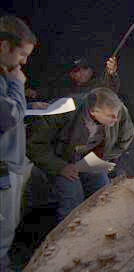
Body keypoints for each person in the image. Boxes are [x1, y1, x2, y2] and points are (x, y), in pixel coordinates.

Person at [26, 88, 134, 222]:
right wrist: (60, 167)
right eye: (110, 116)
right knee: (72, 199)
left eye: (117, 114)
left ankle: (98, 230)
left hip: (91, 155)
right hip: (61, 158)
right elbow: (35, 144)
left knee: (102, 191)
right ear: (94, 112)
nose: (116, 119)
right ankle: (68, 239)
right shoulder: (63, 110)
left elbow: (124, 139)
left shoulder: (118, 110)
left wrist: (100, 157)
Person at [0, 15, 36, 271]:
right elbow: (10, 116)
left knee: (7, 230)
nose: (24, 62)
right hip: (3, 169)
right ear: (4, 46)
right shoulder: (9, 78)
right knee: (2, 235)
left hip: (10, 166)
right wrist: (17, 85)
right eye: (22, 54)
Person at [45, 56, 120, 99]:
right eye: (77, 70)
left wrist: (112, 73)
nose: (82, 72)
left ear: (91, 70)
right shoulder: (64, 89)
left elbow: (111, 88)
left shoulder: (99, 84)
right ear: (71, 74)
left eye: (85, 68)